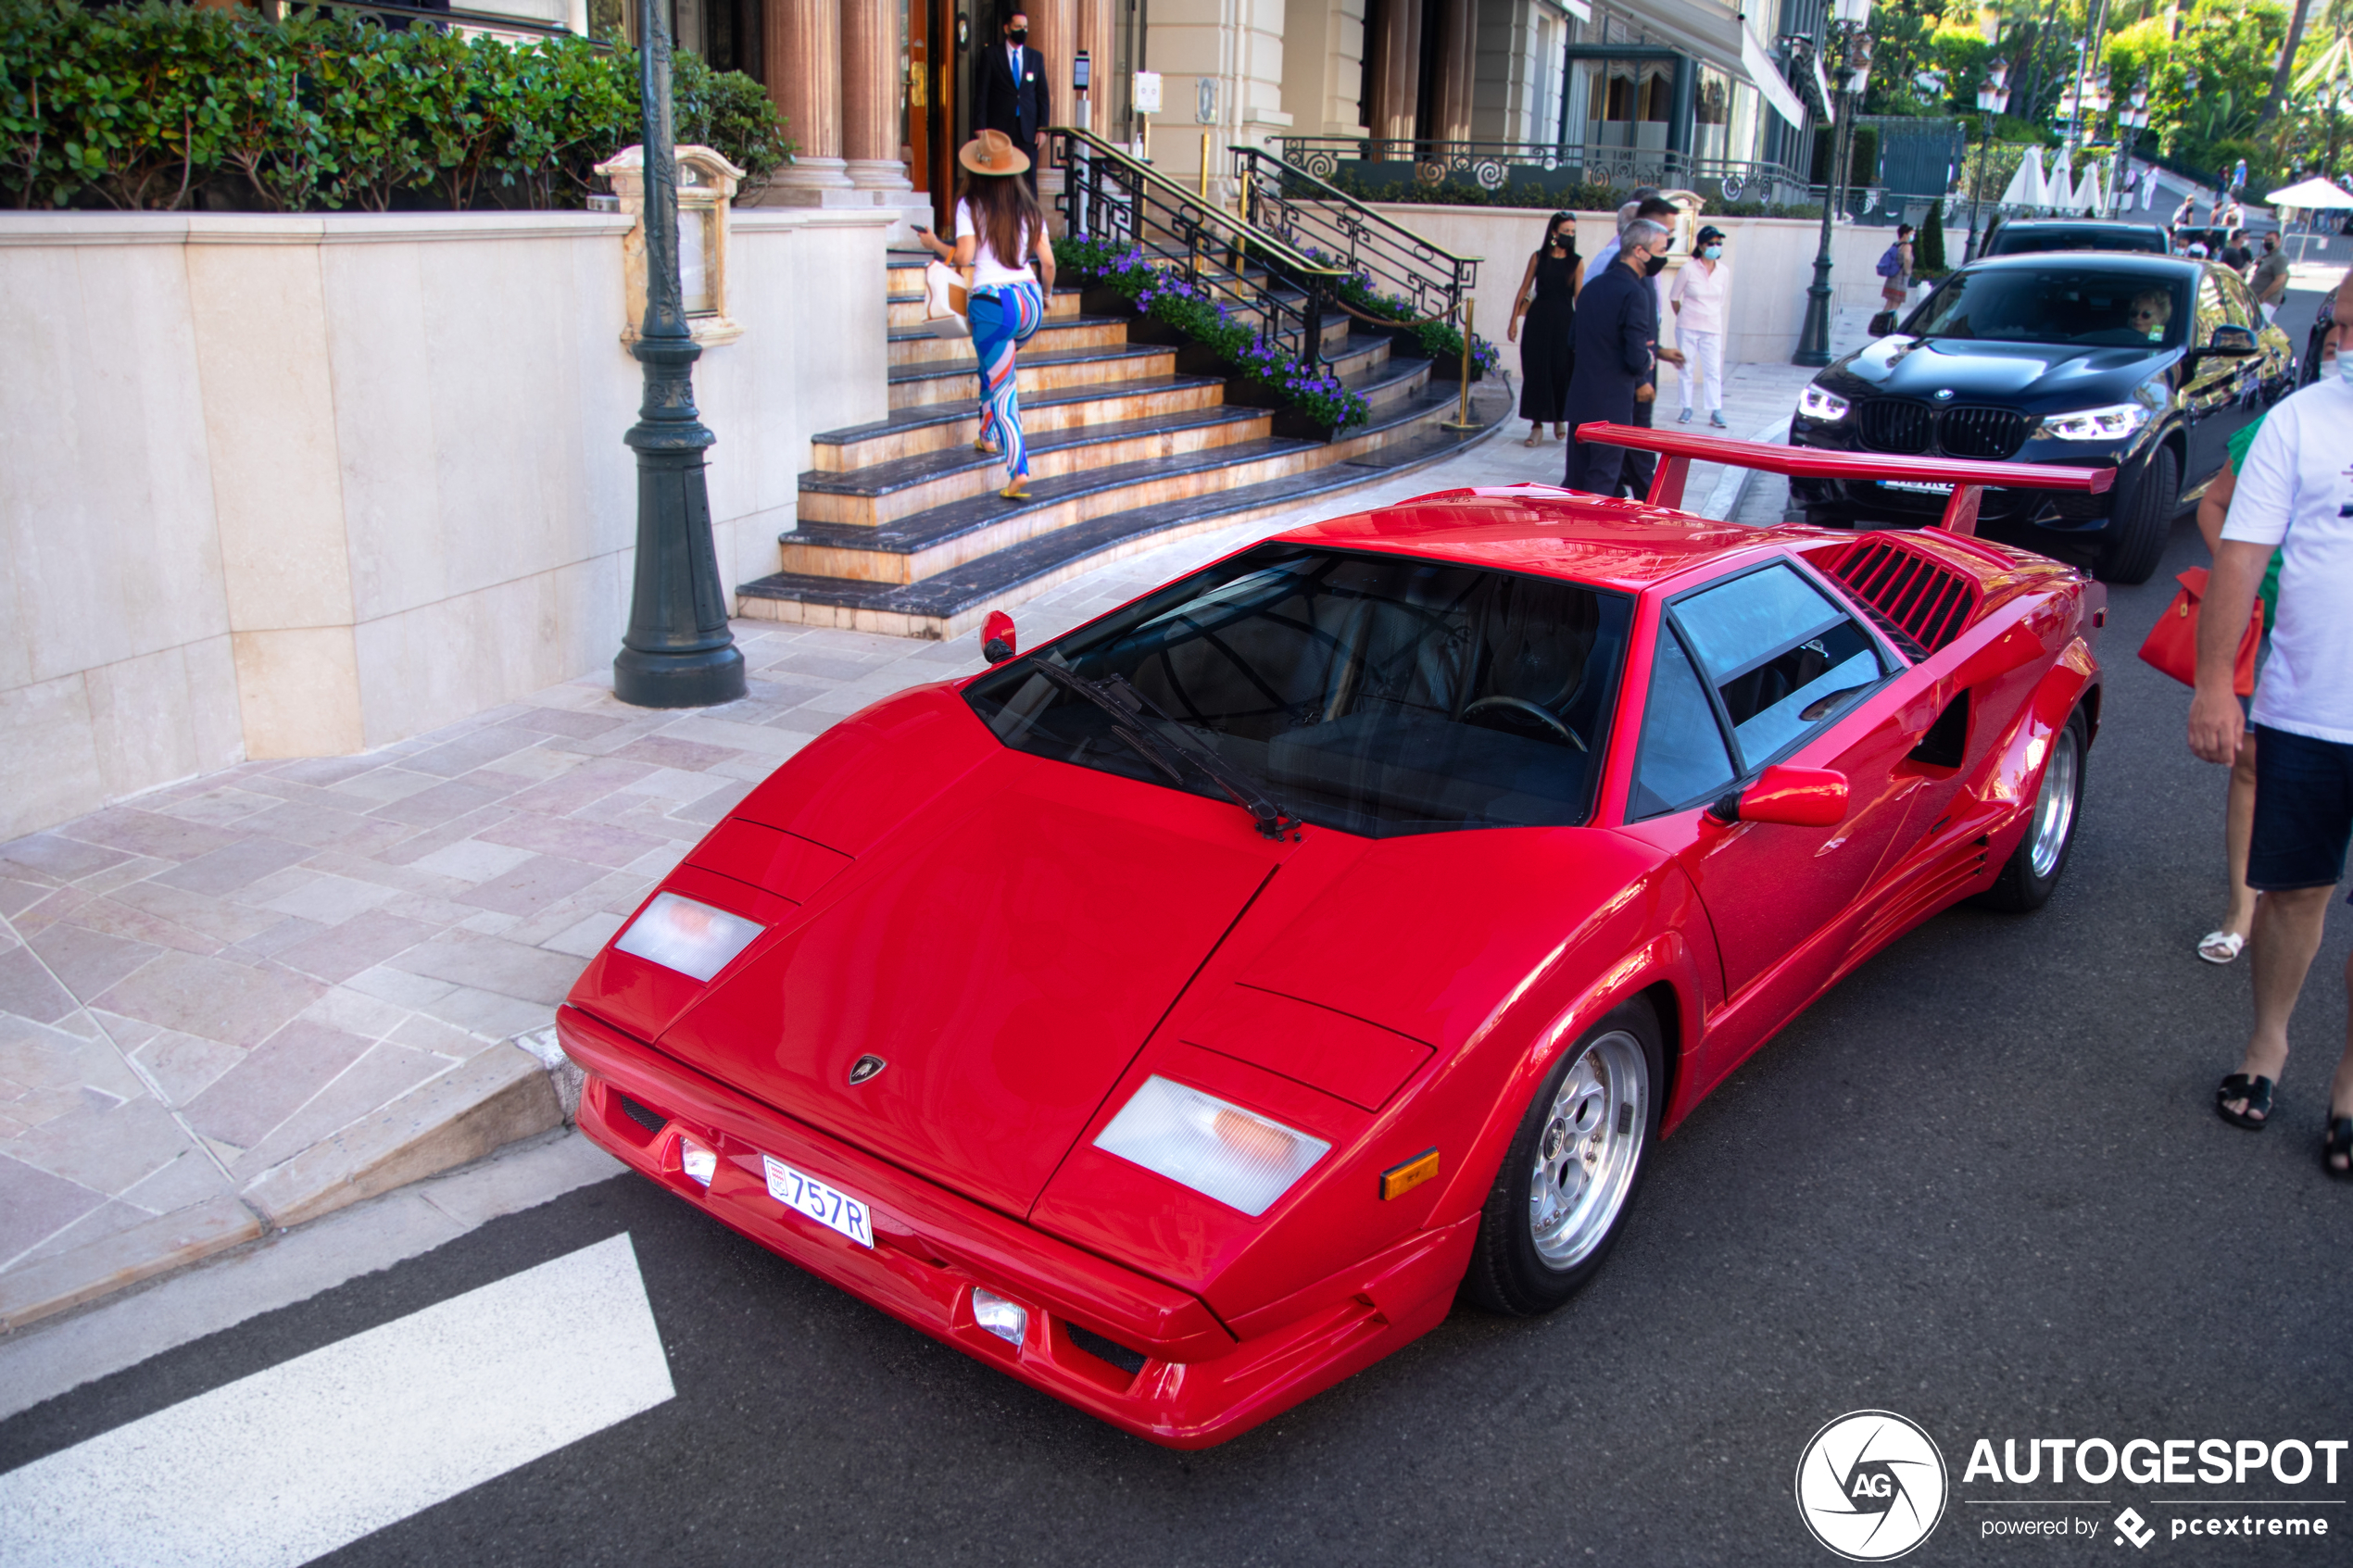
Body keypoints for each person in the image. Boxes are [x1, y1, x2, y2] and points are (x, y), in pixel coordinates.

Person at [2191, 317, 2353, 1176]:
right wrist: (2216, 684)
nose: (2347, 342)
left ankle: (2351, 1087)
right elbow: (2242, 556)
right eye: (2345, 325)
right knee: (2294, 895)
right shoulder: (2300, 421)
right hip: (2308, 709)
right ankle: (2268, 1046)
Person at [912, 131, 1055, 500]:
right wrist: (1049, 295)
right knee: (994, 366)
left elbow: (963, 257)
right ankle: (986, 434)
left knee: (1004, 384)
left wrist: (933, 245)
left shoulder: (969, 204)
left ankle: (1019, 469)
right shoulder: (1030, 207)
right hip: (1030, 301)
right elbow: (1049, 263)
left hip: (994, 305)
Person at [2192, 410, 2282, 964]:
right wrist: (2237, 575)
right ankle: (2242, 911)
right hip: (2271, 624)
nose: (2340, 348)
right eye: (2340, 331)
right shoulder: (2289, 424)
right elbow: (2216, 502)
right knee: (2251, 760)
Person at [1562, 218, 1684, 496]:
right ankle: (1592, 538)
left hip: (1581, 398)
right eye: (1662, 250)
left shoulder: (1592, 288)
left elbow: (1573, 340)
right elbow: (1635, 357)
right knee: (1602, 479)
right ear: (1640, 251)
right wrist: (1648, 361)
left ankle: (1571, 536)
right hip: (1612, 405)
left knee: (1577, 480)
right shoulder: (1635, 293)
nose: (1663, 257)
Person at [1507, 212, 1582, 446]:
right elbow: (1524, 289)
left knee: (1561, 371)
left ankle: (1560, 417)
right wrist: (1512, 322)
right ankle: (1537, 425)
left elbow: (1579, 298)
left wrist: (1583, 330)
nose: (1569, 235)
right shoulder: (1538, 258)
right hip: (1538, 320)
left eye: (1572, 232)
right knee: (1537, 371)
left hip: (1564, 322)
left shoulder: (1577, 262)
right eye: (1565, 231)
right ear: (1554, 232)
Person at [974, 11, 1051, 194]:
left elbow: (1042, 95)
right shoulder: (991, 55)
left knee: (1028, 179)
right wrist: (980, 126)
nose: (1022, 31)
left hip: (1028, 129)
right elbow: (982, 94)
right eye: (1018, 27)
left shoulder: (1035, 57)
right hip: (999, 129)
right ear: (1007, 28)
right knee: (999, 178)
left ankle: (1029, 220)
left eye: (1025, 27)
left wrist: (1043, 128)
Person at [1669, 225, 1730, 428]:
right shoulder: (1688, 269)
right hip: (1688, 325)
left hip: (1712, 327)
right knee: (1686, 367)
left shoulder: (1723, 272)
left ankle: (1716, 411)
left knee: (1713, 370)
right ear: (1701, 246)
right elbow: (1674, 297)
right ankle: (1686, 408)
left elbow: (1720, 300)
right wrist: (1684, 316)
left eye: (1718, 243)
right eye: (1711, 243)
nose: (1715, 247)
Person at [1876, 224, 1915, 317]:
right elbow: (1907, 259)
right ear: (1905, 234)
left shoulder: (1896, 245)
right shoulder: (1907, 246)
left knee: (1889, 303)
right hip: (1900, 279)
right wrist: (1907, 271)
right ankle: (1888, 323)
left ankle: (1881, 320)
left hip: (1892, 277)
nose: (1912, 236)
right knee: (1895, 304)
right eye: (1911, 234)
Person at [2251, 232, 2290, 324]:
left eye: (2270, 240)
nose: (2267, 243)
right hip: (2258, 299)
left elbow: (2280, 280)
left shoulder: (2280, 257)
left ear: (2278, 241)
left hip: (2266, 301)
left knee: (2259, 326)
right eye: (2266, 240)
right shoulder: (2270, 256)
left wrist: (2263, 297)